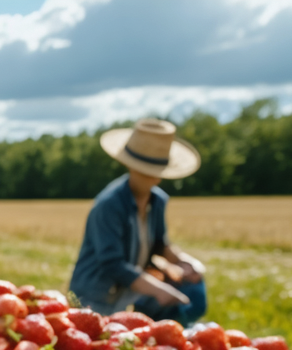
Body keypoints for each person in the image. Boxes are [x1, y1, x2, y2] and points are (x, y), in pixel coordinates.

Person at [70, 118, 207, 323]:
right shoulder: (108, 205)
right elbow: (113, 265)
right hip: (95, 296)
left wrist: (184, 262)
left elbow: (159, 245)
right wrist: (159, 290)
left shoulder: (158, 201)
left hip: (129, 292)